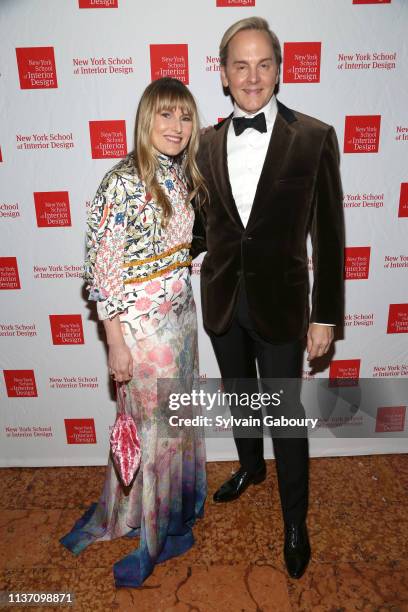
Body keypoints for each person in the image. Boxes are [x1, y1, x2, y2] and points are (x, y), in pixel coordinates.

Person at [192, 17, 344, 579]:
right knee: (239, 397)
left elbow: (329, 234)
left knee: (285, 415)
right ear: (224, 74)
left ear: (278, 69)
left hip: (282, 307)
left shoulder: (315, 137)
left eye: (263, 64)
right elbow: (203, 229)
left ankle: (295, 521)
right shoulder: (204, 143)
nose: (252, 76)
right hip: (223, 302)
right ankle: (251, 468)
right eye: (240, 65)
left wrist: (326, 314)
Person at [60, 77, 207, 588]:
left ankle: (168, 514)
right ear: (146, 120)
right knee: (154, 434)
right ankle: (150, 531)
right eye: (166, 115)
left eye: (185, 117)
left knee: (175, 428)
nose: (177, 126)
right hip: (143, 333)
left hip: (182, 322)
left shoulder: (182, 174)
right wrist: (116, 343)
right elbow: (103, 274)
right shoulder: (119, 182)